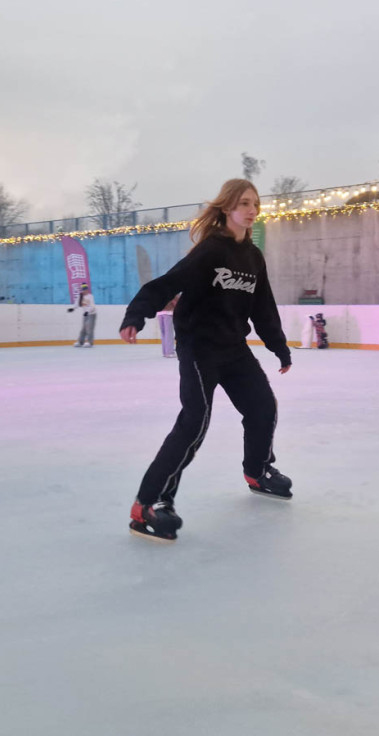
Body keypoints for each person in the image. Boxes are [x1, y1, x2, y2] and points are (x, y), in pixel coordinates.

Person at [119, 178, 293, 542]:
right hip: (199, 347)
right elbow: (171, 282)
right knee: (194, 423)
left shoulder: (253, 257)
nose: (251, 210)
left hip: (234, 348)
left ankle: (258, 472)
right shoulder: (212, 250)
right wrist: (137, 313)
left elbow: (263, 307)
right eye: (243, 203)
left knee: (263, 408)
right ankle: (148, 504)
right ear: (227, 207)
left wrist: (279, 346)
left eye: (255, 204)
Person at [68, 283, 96, 347]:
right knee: (83, 328)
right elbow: (77, 303)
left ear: (87, 290)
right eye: (83, 290)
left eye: (85, 290)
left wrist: (87, 311)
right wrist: (73, 308)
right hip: (85, 314)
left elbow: (92, 306)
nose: (84, 291)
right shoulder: (80, 296)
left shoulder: (90, 296)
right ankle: (80, 342)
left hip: (92, 314)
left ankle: (90, 342)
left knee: (89, 328)